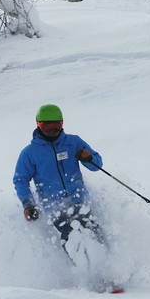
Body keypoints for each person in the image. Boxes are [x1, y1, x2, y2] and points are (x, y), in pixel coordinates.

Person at [13, 104, 106, 249]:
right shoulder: (30, 152)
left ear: (62, 122)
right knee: (70, 240)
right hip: (55, 207)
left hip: (79, 201)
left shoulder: (73, 142)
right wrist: (28, 204)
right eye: (46, 126)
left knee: (95, 233)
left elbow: (97, 165)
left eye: (56, 125)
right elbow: (20, 180)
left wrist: (89, 158)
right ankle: (76, 271)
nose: (52, 130)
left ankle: (111, 265)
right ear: (38, 125)